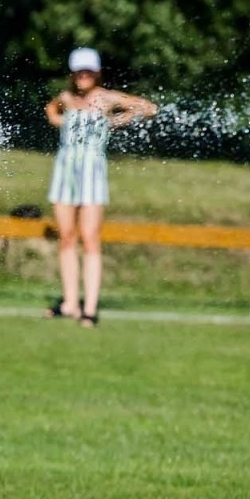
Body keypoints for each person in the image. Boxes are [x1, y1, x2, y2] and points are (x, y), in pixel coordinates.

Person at [43, 47, 158, 326]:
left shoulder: (106, 98)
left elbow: (150, 108)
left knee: (90, 238)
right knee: (67, 237)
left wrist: (117, 121)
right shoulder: (67, 98)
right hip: (65, 169)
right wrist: (59, 121)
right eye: (79, 71)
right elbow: (50, 110)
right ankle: (70, 302)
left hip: (92, 171)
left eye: (88, 70)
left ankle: (90, 308)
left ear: (96, 72)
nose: (83, 75)